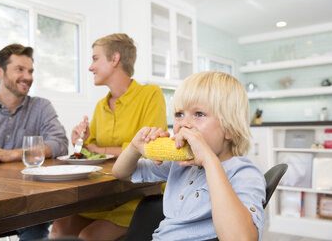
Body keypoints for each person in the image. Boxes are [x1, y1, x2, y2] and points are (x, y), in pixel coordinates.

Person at [112, 71, 266, 240]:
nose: (183, 124)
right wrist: (135, 147)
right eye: (179, 114)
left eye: (199, 114)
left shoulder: (244, 173)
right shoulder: (180, 165)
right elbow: (122, 173)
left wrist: (209, 161)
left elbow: (241, 238)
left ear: (229, 128)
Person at [50, 33, 167, 240]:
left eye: (95, 58)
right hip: (105, 195)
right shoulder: (101, 106)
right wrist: (81, 142)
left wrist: (98, 149)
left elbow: (151, 149)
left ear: (115, 59)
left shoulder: (150, 94)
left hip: (141, 195)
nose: (90, 67)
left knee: (90, 235)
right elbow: (87, 152)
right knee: (59, 228)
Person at [0, 44, 68, 240]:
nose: (28, 76)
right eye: (20, 69)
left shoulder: (41, 107)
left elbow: (59, 142)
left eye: (31, 71)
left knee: (37, 230)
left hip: (29, 206)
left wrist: (11, 154)